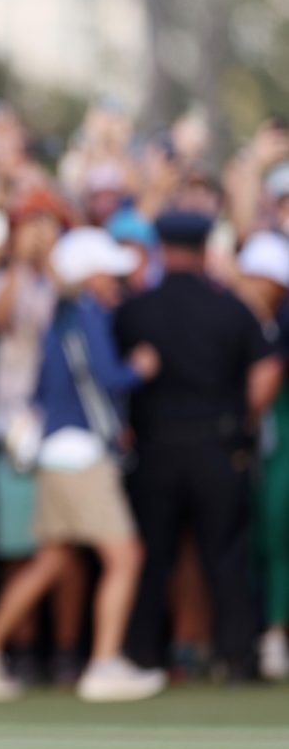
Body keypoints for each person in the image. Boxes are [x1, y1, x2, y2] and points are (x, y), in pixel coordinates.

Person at [0, 228, 166, 702]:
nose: (117, 281)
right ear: (89, 275)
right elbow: (107, 377)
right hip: (78, 455)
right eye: (109, 272)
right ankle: (105, 665)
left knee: (52, 559)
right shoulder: (84, 313)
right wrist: (141, 368)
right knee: (126, 555)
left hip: (60, 450)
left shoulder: (68, 314)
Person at [116, 211, 282, 679]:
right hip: (218, 445)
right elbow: (267, 371)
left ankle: (142, 655)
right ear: (207, 249)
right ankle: (238, 658)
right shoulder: (230, 306)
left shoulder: (136, 308)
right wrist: (242, 423)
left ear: (161, 249)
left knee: (152, 557)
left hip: (154, 451)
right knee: (226, 556)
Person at [230, 232, 289, 679]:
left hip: (277, 448)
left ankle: (274, 634)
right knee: (256, 542)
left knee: (275, 537)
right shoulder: (236, 323)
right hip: (250, 451)